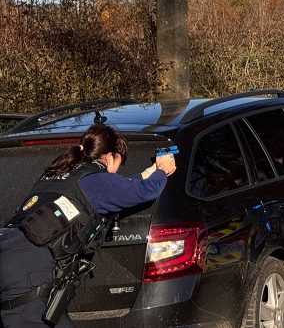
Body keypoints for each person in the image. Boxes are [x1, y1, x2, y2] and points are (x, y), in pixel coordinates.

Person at [0, 124, 175, 327]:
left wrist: (149, 172)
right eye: (119, 163)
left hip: (10, 249)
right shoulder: (96, 182)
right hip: (28, 271)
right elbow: (143, 192)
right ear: (109, 157)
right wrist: (162, 171)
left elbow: (117, 187)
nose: (116, 173)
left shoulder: (61, 173)